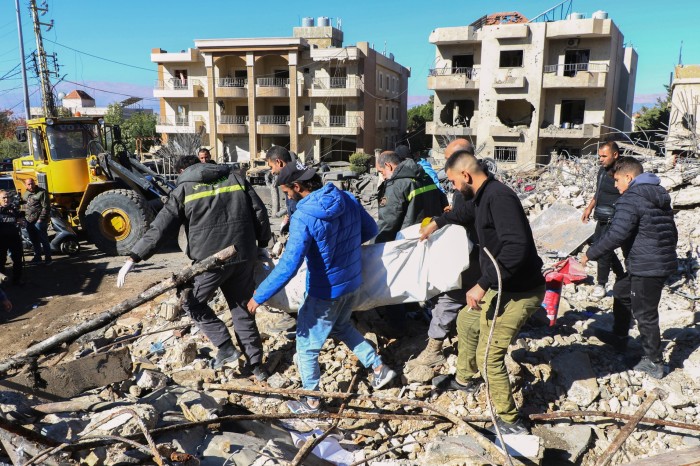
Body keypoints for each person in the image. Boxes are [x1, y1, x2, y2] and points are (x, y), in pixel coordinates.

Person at [247, 161, 397, 414]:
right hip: (352, 281)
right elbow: (370, 229)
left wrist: (259, 296)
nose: (287, 196)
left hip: (325, 290)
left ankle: (312, 402)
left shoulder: (303, 216)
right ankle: (379, 368)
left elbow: (288, 266)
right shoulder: (346, 197)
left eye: (286, 191)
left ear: (297, 186)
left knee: (306, 345)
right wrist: (343, 245)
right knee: (341, 327)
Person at [117, 155, 272, 379]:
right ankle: (257, 367)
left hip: (211, 261)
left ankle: (226, 347)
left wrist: (133, 258)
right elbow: (260, 212)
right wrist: (262, 244)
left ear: (182, 171)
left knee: (191, 302)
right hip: (243, 254)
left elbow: (160, 227)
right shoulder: (235, 179)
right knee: (242, 308)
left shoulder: (184, 189)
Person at [435, 150, 545, 435]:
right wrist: (437, 222)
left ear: (466, 176)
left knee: (489, 355)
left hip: (521, 291)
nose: (456, 189)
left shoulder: (499, 198)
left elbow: (515, 248)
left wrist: (482, 283)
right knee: (466, 321)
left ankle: (511, 421)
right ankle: (465, 380)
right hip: (502, 285)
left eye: (455, 183)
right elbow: (463, 212)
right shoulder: (482, 196)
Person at [583, 157, 677, 379]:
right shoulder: (658, 195)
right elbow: (672, 231)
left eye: (617, 180)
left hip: (648, 265)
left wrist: (589, 254)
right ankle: (620, 336)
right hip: (655, 261)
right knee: (623, 291)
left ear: (629, 177)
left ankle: (654, 362)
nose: (615, 186)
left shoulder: (632, 198)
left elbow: (616, 234)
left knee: (645, 313)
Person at [408, 139, 481, 370]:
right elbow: (466, 212)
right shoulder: (476, 185)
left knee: (449, 296)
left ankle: (435, 349)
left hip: (473, 254)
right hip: (470, 250)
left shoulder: (479, 190)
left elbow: (472, 216)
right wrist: (450, 214)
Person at [582, 141, 626, 298]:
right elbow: (598, 191)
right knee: (599, 245)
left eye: (604, 156)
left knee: (603, 249)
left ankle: (601, 284)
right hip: (601, 215)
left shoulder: (621, 172)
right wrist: (589, 207)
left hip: (613, 217)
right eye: (599, 156)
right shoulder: (602, 170)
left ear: (615, 155)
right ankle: (621, 274)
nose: (600, 159)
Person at [375, 150, 446, 243]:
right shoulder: (425, 177)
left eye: (381, 172)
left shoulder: (396, 186)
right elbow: (442, 201)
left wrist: (378, 247)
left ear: (388, 166)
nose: (383, 177)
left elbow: (388, 223)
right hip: (432, 236)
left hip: (408, 241)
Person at [265, 146, 298, 230]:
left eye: (271, 167)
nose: (272, 172)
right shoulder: (291, 178)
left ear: (279, 162)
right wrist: (288, 217)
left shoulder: (294, 181)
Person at [23, 178, 51, 264]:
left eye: (32, 183)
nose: (31, 186)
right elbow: (24, 206)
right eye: (29, 184)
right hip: (29, 221)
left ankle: (48, 258)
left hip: (39, 221)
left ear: (34, 183)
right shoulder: (26, 194)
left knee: (44, 240)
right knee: (34, 240)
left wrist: (40, 219)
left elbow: (46, 207)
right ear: (26, 185)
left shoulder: (42, 192)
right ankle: (37, 257)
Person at [0, 190, 24, 285]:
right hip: (1, 239)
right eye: (4, 198)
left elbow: (23, 222)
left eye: (8, 197)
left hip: (14, 238)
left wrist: (22, 222)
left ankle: (17, 280)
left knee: (18, 259)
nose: (6, 200)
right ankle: (2, 280)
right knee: (1, 260)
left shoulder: (14, 209)